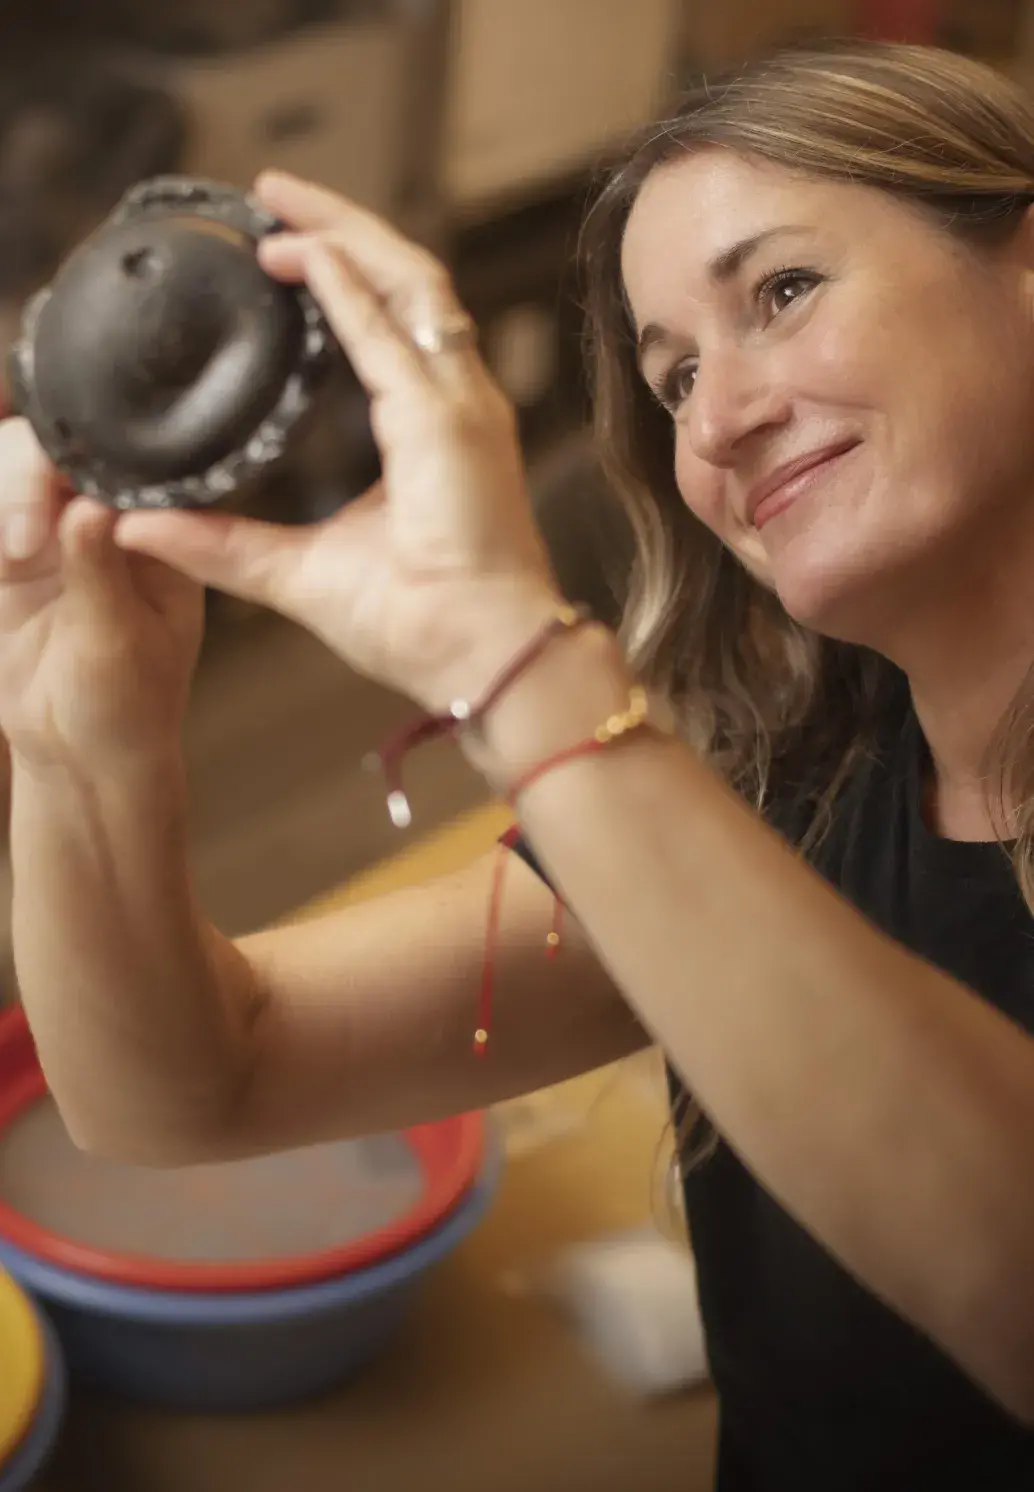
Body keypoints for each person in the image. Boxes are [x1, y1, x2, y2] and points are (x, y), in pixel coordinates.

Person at [1, 36, 1034, 1490]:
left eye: (782, 292)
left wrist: (510, 659)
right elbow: (182, 1089)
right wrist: (73, 739)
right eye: (671, 381)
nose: (720, 422)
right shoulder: (772, 801)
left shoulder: (636, 788)